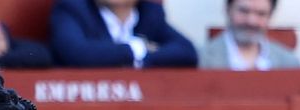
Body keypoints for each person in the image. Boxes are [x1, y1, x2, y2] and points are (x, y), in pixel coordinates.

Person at [49, 0, 197, 69]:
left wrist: (144, 57)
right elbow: (76, 53)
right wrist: (135, 49)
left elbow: (187, 51)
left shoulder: (150, 13)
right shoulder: (72, 9)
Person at [200, 0, 300, 71]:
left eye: (261, 14)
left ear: (270, 16)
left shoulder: (289, 62)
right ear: (227, 9)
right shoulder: (201, 60)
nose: (251, 21)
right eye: (244, 11)